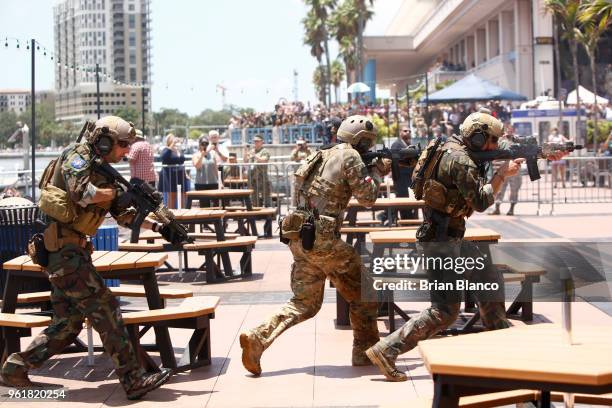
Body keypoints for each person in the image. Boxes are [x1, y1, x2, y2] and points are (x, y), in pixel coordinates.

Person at [0, 116, 172, 399]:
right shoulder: (77, 157)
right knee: (106, 309)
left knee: (68, 324)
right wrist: (118, 192)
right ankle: (133, 379)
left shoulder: (103, 170)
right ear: (104, 141)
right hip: (63, 253)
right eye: (123, 145)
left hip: (72, 253)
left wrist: (159, 227)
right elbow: (82, 193)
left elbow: (124, 214)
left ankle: (14, 369)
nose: (127, 151)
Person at [366, 109, 524, 382]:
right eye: (492, 141)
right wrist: (501, 176)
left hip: (448, 236)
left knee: (487, 276)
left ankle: (502, 341)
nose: (496, 146)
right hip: (439, 241)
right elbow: (482, 202)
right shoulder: (461, 161)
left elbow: (498, 148)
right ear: (476, 139)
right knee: (445, 310)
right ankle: (386, 349)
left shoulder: (449, 145)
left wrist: (536, 152)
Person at [239, 115, 392, 376]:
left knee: (304, 304)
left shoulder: (321, 155)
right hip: (323, 240)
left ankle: (258, 337)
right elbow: (368, 198)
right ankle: (366, 352)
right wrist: (377, 171)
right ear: (362, 141)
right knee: (366, 295)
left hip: (300, 236)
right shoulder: (351, 157)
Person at [489, 127, 523, 216]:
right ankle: (497, 208)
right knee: (499, 189)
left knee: (514, 189)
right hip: (502, 167)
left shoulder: (517, 140)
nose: (509, 132)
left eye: (511, 130)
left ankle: (511, 208)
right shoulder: (500, 140)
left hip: (514, 168)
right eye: (508, 130)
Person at [391, 125, 417, 219]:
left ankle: (409, 219)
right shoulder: (396, 144)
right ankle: (405, 220)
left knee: (410, 201)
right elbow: (395, 162)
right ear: (400, 133)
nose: (408, 132)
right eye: (405, 131)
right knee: (403, 201)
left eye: (409, 131)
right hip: (400, 178)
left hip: (408, 179)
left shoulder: (408, 144)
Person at [158, 133, 188, 209]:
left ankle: (183, 212)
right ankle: (171, 214)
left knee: (183, 195)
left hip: (180, 175)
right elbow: (164, 157)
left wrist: (186, 173)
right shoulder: (166, 149)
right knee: (172, 195)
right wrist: (172, 144)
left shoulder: (178, 150)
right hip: (170, 176)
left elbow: (182, 161)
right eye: (172, 139)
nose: (175, 141)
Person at [244, 135, 271, 207]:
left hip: (262, 177)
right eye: (254, 141)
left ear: (262, 142)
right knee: (253, 196)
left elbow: (264, 160)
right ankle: (256, 211)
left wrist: (254, 155)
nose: (256, 143)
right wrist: (245, 152)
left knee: (265, 196)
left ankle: (267, 212)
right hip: (252, 177)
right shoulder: (252, 151)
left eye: (257, 141)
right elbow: (245, 161)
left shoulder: (265, 151)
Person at [192, 136, 219, 207]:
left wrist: (220, 182)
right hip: (201, 184)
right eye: (202, 143)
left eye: (206, 143)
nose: (204, 145)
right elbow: (197, 166)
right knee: (204, 206)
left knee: (216, 205)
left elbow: (216, 169)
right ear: (199, 145)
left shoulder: (212, 154)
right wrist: (202, 156)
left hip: (213, 183)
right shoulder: (196, 155)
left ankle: (216, 218)